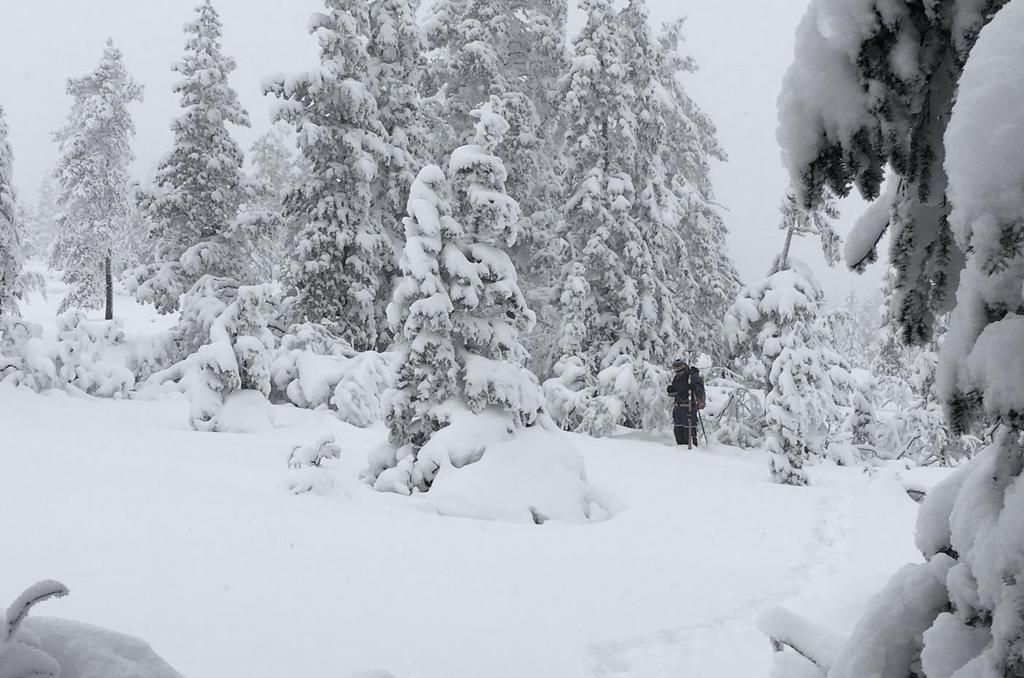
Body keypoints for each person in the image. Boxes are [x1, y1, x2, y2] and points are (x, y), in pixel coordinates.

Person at [667, 358, 705, 448]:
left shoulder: (692, 376)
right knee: (678, 432)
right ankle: (680, 453)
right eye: (676, 372)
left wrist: (693, 387)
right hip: (678, 410)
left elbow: (699, 391)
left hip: (689, 409)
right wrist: (672, 390)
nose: (678, 373)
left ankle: (692, 453)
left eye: (680, 371)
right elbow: (676, 393)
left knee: (689, 434)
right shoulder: (676, 377)